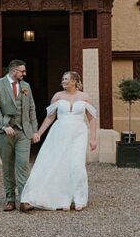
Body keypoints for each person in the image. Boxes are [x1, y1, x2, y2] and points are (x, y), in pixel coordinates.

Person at [21, 70, 98, 211]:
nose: (63, 81)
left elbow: (91, 118)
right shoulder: (58, 96)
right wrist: (39, 132)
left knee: (77, 165)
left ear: (74, 81)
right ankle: (63, 199)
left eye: (66, 79)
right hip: (59, 132)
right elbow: (50, 117)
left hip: (78, 133)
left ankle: (79, 198)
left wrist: (93, 138)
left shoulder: (85, 97)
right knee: (61, 164)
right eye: (63, 79)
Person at [0, 59, 38, 212]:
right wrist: (4, 126)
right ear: (14, 71)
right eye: (22, 71)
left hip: (23, 131)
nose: (25, 74)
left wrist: (34, 130)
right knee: (8, 165)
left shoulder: (26, 86)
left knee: (23, 164)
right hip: (4, 131)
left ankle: (24, 200)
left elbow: (31, 109)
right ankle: (10, 199)